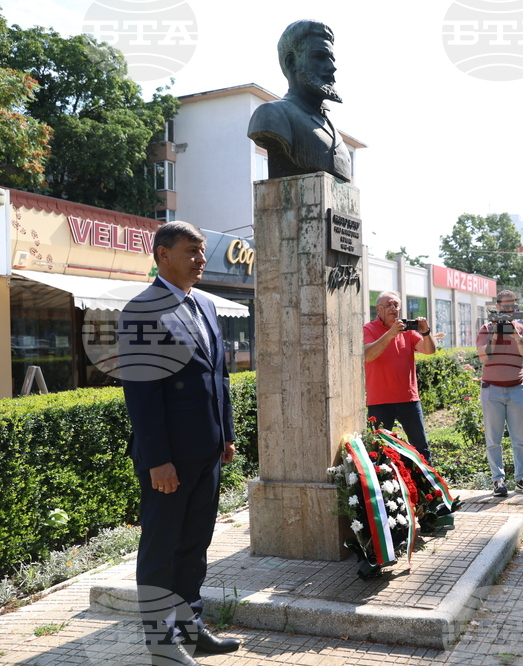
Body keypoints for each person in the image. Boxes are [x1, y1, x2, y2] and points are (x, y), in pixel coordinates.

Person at [120, 222, 241, 666]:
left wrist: (226, 433)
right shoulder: (141, 310)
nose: (200, 259)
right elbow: (142, 394)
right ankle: (162, 645)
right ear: (162, 254)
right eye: (191, 251)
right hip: (168, 459)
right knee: (161, 550)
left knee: (194, 545)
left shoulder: (205, 304)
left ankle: (191, 628)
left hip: (207, 451)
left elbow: (218, 374)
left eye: (202, 251)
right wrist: (158, 461)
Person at [247, 20, 352, 181]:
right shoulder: (272, 114)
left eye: (332, 59)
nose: (332, 67)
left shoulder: (334, 132)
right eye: (319, 57)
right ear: (291, 62)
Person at [476, 290, 523, 497]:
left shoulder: (522, 329)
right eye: (505, 306)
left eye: (512, 306)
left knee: (520, 438)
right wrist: (495, 334)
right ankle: (498, 481)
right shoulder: (486, 328)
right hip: (492, 389)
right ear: (498, 307)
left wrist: (515, 335)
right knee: (493, 439)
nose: (509, 309)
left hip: (516, 389)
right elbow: (484, 358)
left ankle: (521, 479)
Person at [363, 291, 437, 461]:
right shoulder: (369, 328)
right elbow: (368, 355)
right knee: (378, 451)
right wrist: (390, 334)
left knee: (421, 449)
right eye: (388, 304)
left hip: (408, 399)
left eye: (396, 305)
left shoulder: (407, 330)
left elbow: (429, 350)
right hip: (380, 400)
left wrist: (426, 333)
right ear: (378, 309)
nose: (393, 308)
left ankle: (425, 479)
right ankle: (383, 479)